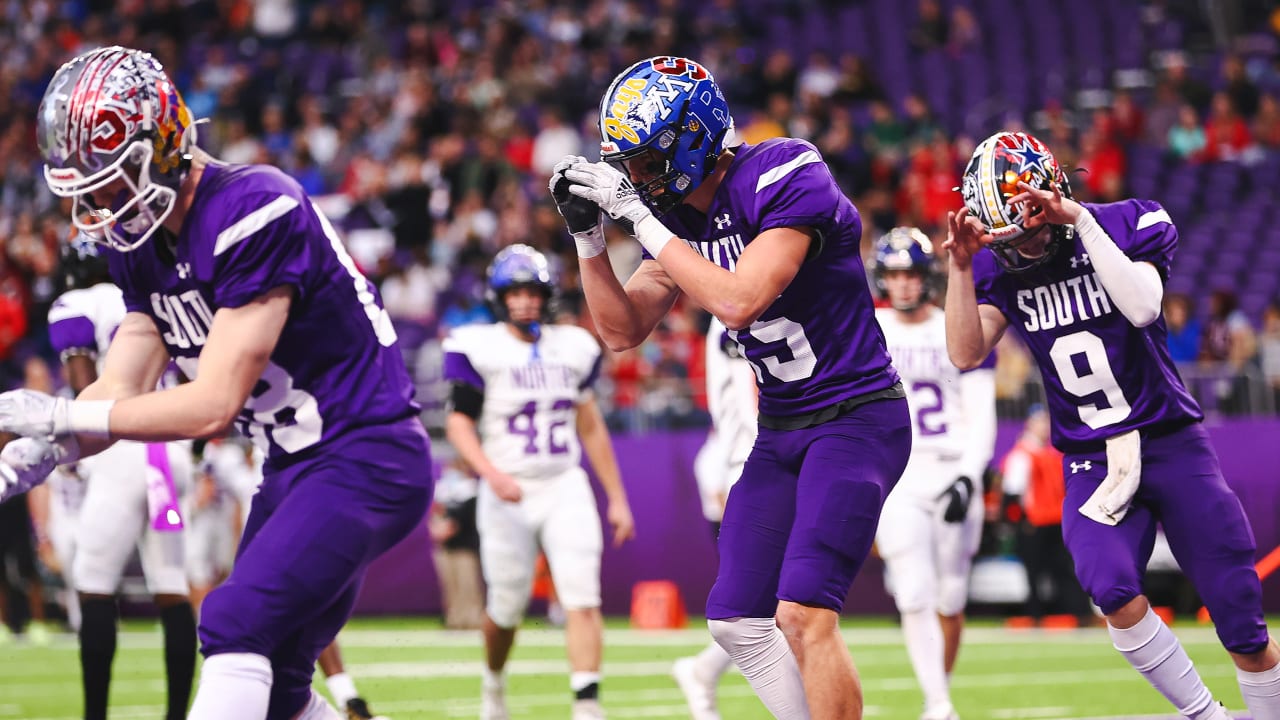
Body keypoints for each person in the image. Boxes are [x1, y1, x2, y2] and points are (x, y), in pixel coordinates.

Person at [0, 46, 433, 720]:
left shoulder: (255, 206)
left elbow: (212, 402)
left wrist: (68, 419)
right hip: (296, 464)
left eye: (114, 181)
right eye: (89, 188)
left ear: (165, 140)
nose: (102, 203)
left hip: (364, 452)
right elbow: (121, 380)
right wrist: (52, 446)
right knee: (284, 686)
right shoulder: (139, 245)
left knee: (234, 620)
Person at [553, 56, 911, 719]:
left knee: (803, 615)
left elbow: (742, 300)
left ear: (694, 137)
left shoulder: (783, 172)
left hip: (855, 419)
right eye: (626, 164)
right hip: (781, 428)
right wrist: (589, 239)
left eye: (645, 160)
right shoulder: (677, 215)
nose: (634, 177)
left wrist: (639, 219)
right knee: (736, 621)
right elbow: (620, 330)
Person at [944, 130, 1280, 720]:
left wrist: (1078, 222)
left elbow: (1144, 306)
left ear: (1057, 192)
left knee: (1240, 615)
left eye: (1035, 228)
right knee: (1110, 586)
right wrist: (962, 268)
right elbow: (966, 353)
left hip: (1170, 442)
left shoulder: (1129, 221)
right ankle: (1206, 716)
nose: (1026, 248)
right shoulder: (1001, 269)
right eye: (1013, 238)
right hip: (1091, 458)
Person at [442, 244, 635, 720]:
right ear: (499, 298)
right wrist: (491, 473)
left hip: (563, 482)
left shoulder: (571, 347)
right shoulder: (479, 346)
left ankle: (587, 705)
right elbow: (459, 423)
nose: (525, 301)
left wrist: (617, 497)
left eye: (533, 292)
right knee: (506, 607)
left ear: (546, 295)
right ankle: (493, 685)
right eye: (515, 293)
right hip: (507, 488)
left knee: (583, 594)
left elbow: (589, 424)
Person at [43, 234, 198, 720]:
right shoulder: (146, 297)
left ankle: (95, 716)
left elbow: (84, 384)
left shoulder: (76, 303)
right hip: (169, 454)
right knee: (172, 585)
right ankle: (177, 715)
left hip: (124, 452)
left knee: (93, 585)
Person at [871, 227, 996, 720]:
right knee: (915, 590)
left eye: (910, 273)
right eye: (894, 274)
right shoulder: (869, 329)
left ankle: (936, 695)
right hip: (899, 477)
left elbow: (981, 409)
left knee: (950, 596)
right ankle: (940, 704)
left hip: (950, 472)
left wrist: (969, 474)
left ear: (926, 277)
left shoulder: (954, 325)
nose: (902, 284)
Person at [672, 316, 758, 720]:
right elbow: (747, 404)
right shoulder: (734, 314)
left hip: (755, 459)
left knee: (777, 605)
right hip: (750, 462)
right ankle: (702, 671)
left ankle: (703, 671)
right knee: (769, 604)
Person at [1000, 405, 1091, 623]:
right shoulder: (1022, 455)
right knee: (1035, 572)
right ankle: (1036, 615)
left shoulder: (1048, 454)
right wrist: (1018, 521)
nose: (1044, 427)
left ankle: (1077, 614)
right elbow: (1013, 492)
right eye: (1040, 422)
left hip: (1054, 520)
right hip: (1034, 522)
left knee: (1064, 569)